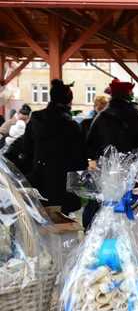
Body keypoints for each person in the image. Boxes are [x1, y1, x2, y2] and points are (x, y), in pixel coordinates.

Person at [17, 79, 87, 214]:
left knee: (39, 219)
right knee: (61, 221)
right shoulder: (72, 126)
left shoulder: (36, 119)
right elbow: (80, 161)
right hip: (62, 184)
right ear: (69, 101)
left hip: (39, 178)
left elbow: (26, 148)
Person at [87, 79, 138, 159]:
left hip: (106, 168)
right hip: (132, 168)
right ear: (127, 94)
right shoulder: (137, 116)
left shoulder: (101, 117)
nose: (133, 94)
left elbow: (90, 146)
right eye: (131, 92)